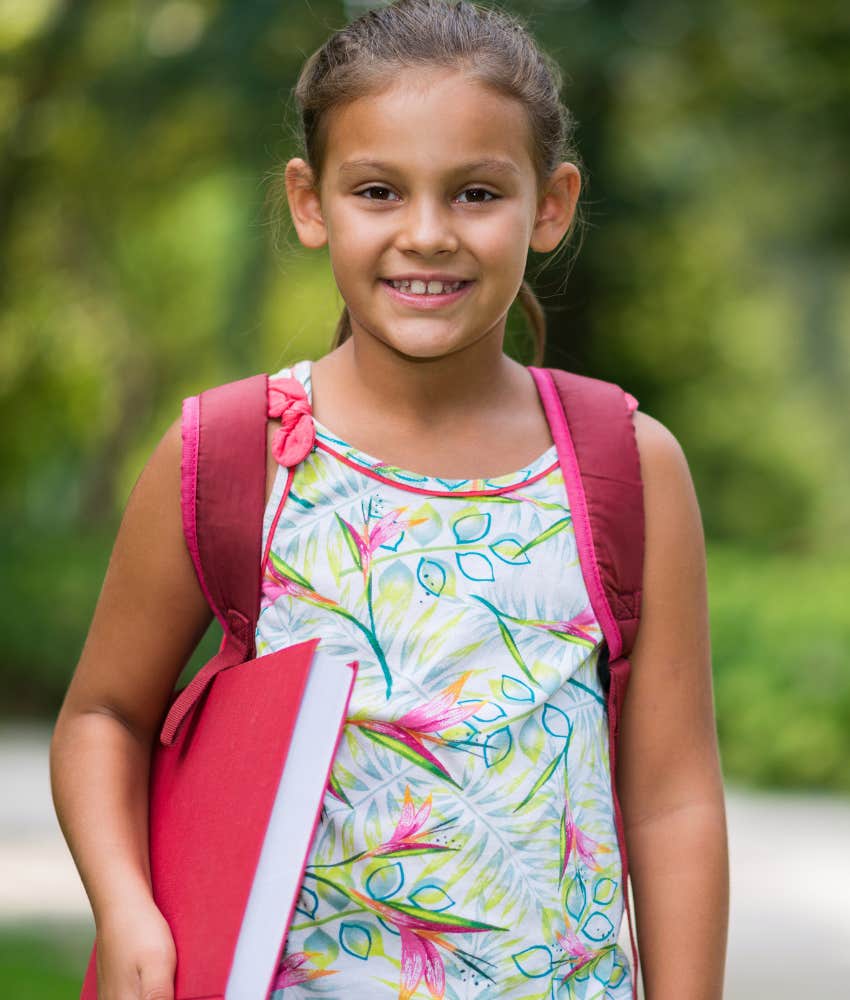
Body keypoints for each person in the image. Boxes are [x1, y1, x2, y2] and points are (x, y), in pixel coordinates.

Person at [49, 1, 729, 998]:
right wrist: (128, 907)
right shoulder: (234, 453)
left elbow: (672, 801)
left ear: (549, 205)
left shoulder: (625, 463)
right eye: (377, 190)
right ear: (310, 202)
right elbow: (102, 716)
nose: (426, 234)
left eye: (475, 194)